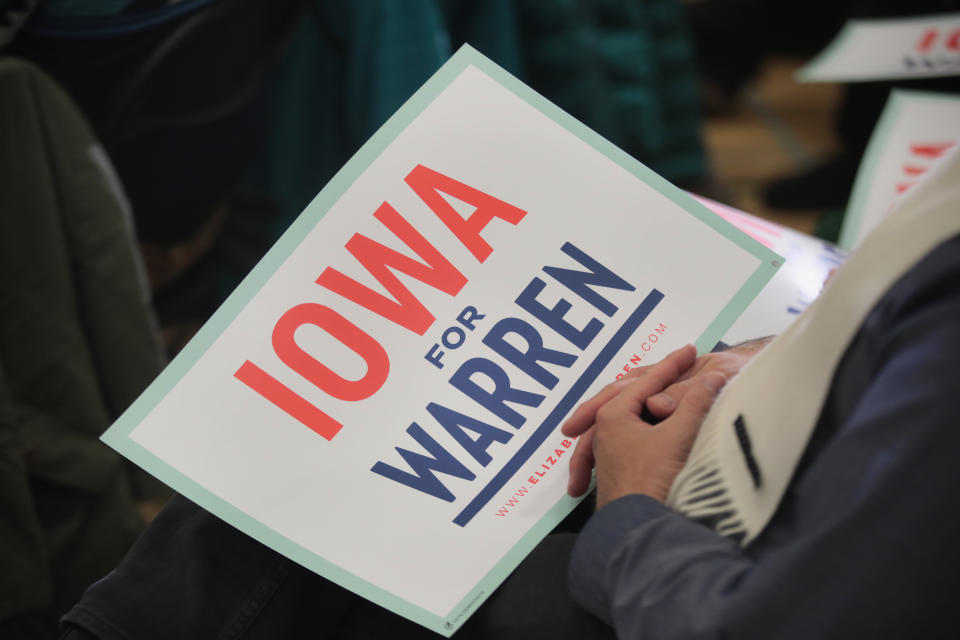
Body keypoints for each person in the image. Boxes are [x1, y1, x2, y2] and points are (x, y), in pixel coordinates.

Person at [61, 159, 960, 640]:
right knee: (327, 477)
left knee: (321, 526)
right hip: (796, 479)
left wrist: (633, 510)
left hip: (712, 574)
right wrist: (796, 350)